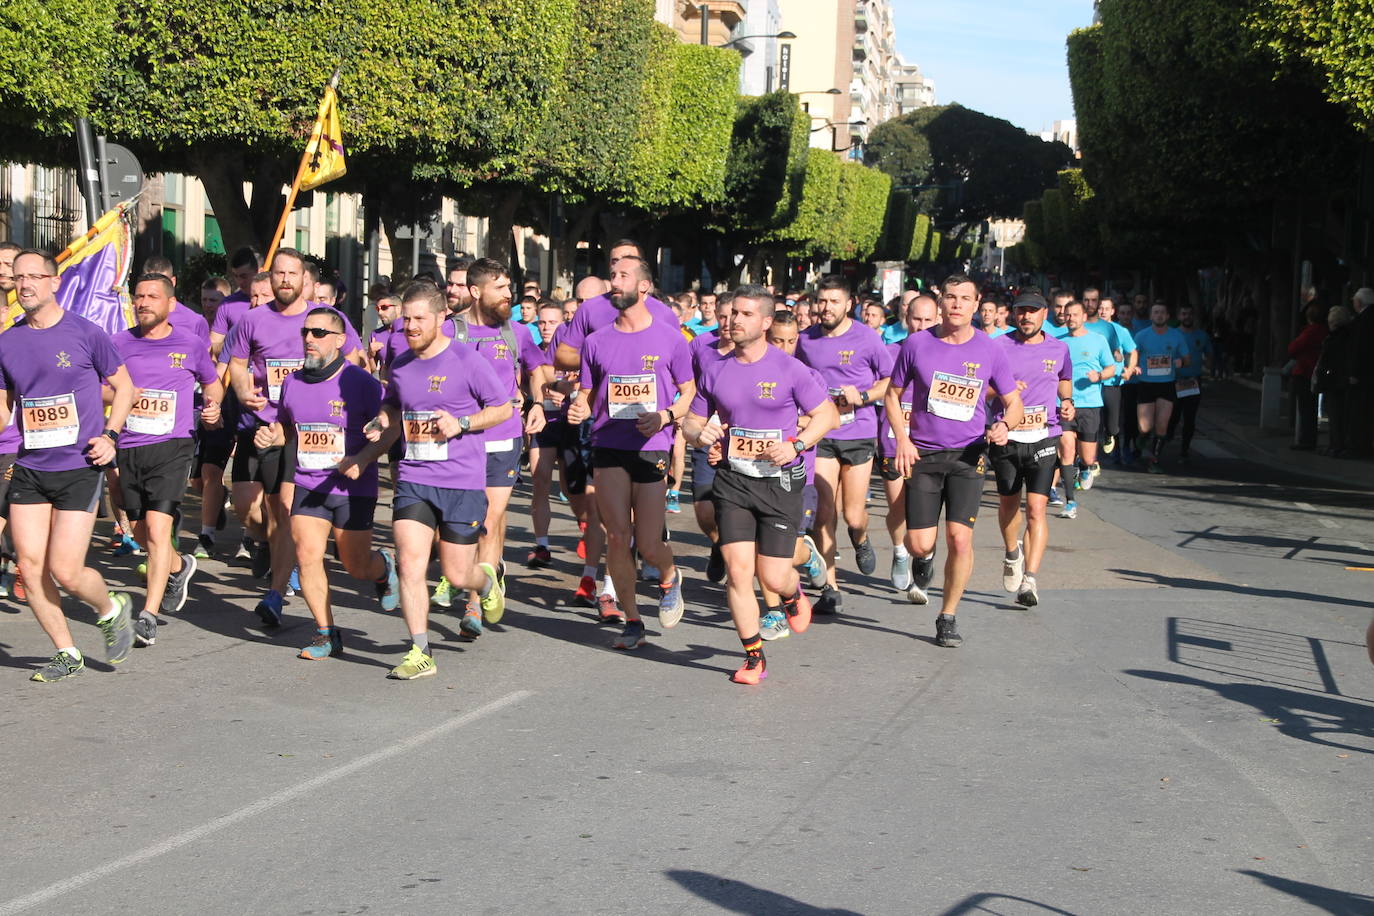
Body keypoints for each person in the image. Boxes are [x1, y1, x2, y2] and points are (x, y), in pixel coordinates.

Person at [683, 286, 837, 684]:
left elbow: (828, 416)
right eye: (733, 313)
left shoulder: (790, 370)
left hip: (779, 484)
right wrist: (699, 434)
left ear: (766, 322)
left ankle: (792, 593)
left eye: (746, 314)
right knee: (738, 572)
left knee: (771, 576)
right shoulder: (715, 368)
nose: (735, 320)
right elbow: (692, 421)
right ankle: (754, 656)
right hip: (733, 481)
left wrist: (797, 445)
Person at [2, 249, 137, 681]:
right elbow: (5, 401)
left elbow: (125, 387)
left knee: (65, 570)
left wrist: (111, 436)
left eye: (34, 277)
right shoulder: (7, 341)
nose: (24, 285)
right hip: (31, 466)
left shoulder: (85, 332)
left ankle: (109, 607)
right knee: (29, 563)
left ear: (54, 282)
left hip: (79, 465)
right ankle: (67, 651)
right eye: (18, 278)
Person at [368, 284, 511, 679]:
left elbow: (501, 408)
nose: (410, 327)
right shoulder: (398, 363)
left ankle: (485, 585)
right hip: (415, 476)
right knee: (411, 564)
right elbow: (394, 402)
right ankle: (420, 650)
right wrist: (383, 416)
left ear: (440, 318)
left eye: (418, 319)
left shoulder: (467, 360)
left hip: (462, 481)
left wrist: (462, 423)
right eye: (406, 319)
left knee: (456, 572)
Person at [227, 248, 363, 626]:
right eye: (278, 273)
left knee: (285, 509)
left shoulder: (325, 319)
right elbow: (236, 366)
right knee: (248, 509)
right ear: (270, 278)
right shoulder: (252, 320)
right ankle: (268, 547)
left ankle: (275, 594)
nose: (285, 280)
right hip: (260, 424)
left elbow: (355, 359)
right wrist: (241, 390)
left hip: (302, 431)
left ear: (306, 280)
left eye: (292, 274)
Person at [886, 273, 1022, 647]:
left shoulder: (990, 350)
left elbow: (1013, 402)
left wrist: (1005, 425)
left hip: (969, 456)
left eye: (965, 298)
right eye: (951, 297)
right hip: (924, 455)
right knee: (919, 544)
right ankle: (923, 560)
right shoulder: (916, 344)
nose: (958, 303)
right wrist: (902, 439)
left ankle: (948, 616)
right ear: (941, 301)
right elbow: (892, 396)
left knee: (960, 539)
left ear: (977, 305)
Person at [566, 255, 693, 650]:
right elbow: (587, 394)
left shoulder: (670, 338)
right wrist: (579, 406)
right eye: (612, 275)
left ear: (644, 287)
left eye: (623, 276)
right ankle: (633, 619)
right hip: (608, 445)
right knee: (618, 536)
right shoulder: (595, 341)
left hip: (651, 445)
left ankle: (670, 575)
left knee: (650, 543)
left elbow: (689, 392)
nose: (614, 281)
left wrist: (665, 415)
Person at [274, 307, 399, 660]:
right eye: (306, 333)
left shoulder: (361, 383)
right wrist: (271, 438)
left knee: (354, 565)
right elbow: (287, 429)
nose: (309, 339)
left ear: (341, 341)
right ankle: (325, 633)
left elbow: (392, 430)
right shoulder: (292, 382)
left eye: (318, 333)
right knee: (307, 554)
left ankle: (383, 567)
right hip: (309, 484)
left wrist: (362, 459)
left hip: (352, 488)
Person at [113, 274, 225, 646]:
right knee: (141, 532)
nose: (143, 302)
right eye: (138, 296)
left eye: (152, 296)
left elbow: (212, 384)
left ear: (170, 304)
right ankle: (179, 566)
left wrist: (214, 408)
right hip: (129, 447)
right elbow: (96, 386)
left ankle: (148, 614)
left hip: (173, 446)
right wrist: (125, 394)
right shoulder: (118, 343)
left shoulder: (190, 344)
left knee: (160, 530)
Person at [450, 258, 550, 635]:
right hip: (461, 438)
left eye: (510, 287)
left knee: (489, 520)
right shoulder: (451, 331)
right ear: (476, 292)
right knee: (468, 520)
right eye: (500, 288)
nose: (509, 295)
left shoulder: (517, 332)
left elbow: (537, 369)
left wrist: (537, 403)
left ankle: (474, 603)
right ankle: (489, 573)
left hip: (503, 437)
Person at [795, 275, 892, 615]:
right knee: (825, 513)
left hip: (858, 431)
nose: (826, 307)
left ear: (849, 304)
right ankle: (831, 588)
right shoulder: (805, 340)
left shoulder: (867, 338)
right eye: (822, 301)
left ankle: (861, 537)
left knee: (852, 514)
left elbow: (890, 382)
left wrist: (862, 396)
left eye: (834, 301)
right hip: (822, 434)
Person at [990, 291, 1072, 608]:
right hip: (1007, 437)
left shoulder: (1059, 348)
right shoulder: (998, 346)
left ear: (1044, 314)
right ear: (1013, 314)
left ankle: (1030, 579)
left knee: (1037, 510)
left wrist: (1067, 402)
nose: (1026, 317)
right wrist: (1005, 390)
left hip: (1044, 436)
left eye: (1033, 312)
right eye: (1021, 311)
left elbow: (1064, 379)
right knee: (1009, 504)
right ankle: (1012, 553)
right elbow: (981, 387)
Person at [878, 294, 939, 590]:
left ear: (937, 320)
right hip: (893, 440)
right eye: (917, 319)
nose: (922, 325)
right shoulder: (889, 352)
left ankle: (923, 557)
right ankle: (900, 551)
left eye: (928, 320)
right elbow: (876, 390)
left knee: (924, 509)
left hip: (930, 442)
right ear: (906, 317)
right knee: (899, 508)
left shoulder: (945, 353)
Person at [1058, 300, 1116, 518]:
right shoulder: (1058, 343)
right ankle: (1070, 502)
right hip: (1064, 404)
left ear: (1083, 317)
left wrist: (1099, 376)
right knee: (1066, 450)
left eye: (1075, 314)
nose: (1071, 318)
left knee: (1088, 457)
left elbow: (1111, 368)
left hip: (1090, 404)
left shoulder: (1098, 340)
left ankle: (1086, 468)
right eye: (1067, 315)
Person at [1133, 301, 1191, 473]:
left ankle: (1154, 460)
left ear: (1167, 316)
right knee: (1144, 427)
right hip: (1146, 384)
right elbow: (1132, 355)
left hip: (1167, 385)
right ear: (1151, 316)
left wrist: (1181, 362)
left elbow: (1188, 359)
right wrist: (1133, 366)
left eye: (1162, 313)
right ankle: (1141, 440)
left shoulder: (1176, 336)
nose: (1158, 315)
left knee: (1162, 426)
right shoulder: (1142, 335)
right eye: (1155, 312)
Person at [1087, 294, 1136, 461]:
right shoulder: (1087, 328)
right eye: (1100, 308)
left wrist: (1129, 369)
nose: (1103, 311)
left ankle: (1110, 434)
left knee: (1113, 424)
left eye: (1106, 309)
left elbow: (1132, 351)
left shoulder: (1119, 330)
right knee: (1092, 421)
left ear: (1113, 311)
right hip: (1091, 383)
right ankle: (1090, 458)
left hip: (1112, 381)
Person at [1166, 304, 1212, 464]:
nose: (1187, 317)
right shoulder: (1172, 334)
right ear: (1179, 316)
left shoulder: (1202, 335)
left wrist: (1209, 368)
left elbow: (1209, 355)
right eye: (1183, 314)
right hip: (1174, 381)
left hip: (1193, 382)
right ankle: (1165, 440)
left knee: (1189, 418)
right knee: (1173, 416)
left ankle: (1184, 450)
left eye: (1189, 314)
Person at [1314, 306, 1355, 456]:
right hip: (1340, 379)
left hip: (1334, 380)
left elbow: (1328, 359)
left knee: (1335, 414)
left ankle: (1336, 445)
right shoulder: (1348, 336)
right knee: (1338, 415)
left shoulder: (1335, 338)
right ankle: (1336, 444)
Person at [1287, 302, 1328, 450]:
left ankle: (1306, 440)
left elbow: (1293, 348)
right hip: (1315, 371)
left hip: (1305, 371)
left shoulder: (1310, 332)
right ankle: (1309, 439)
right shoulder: (1324, 331)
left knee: (1305, 408)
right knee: (1310, 407)